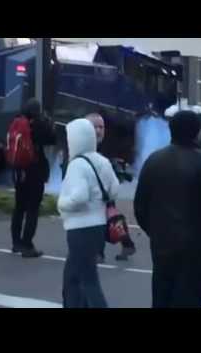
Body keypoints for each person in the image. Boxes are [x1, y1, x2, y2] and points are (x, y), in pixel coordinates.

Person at [134, 111, 201, 308]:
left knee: (162, 299)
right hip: (196, 254)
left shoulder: (154, 161)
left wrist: (156, 232)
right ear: (197, 133)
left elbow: (140, 206)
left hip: (162, 248)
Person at [58, 118, 119, 308]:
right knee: (74, 276)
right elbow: (114, 188)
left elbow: (79, 197)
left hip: (80, 228)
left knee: (87, 280)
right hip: (98, 226)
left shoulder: (77, 165)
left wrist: (61, 203)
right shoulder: (102, 161)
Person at [85, 113, 136, 262]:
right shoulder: (84, 144)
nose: (99, 130)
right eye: (95, 127)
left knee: (103, 218)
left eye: (101, 127)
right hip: (95, 188)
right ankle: (127, 244)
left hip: (103, 189)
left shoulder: (105, 144)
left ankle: (99, 252)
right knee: (110, 217)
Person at [10, 98, 56, 258]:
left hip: (18, 170)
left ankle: (16, 243)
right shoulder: (38, 124)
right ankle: (27, 244)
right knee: (32, 209)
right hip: (35, 170)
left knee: (19, 207)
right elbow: (52, 139)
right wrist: (49, 122)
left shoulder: (17, 121)